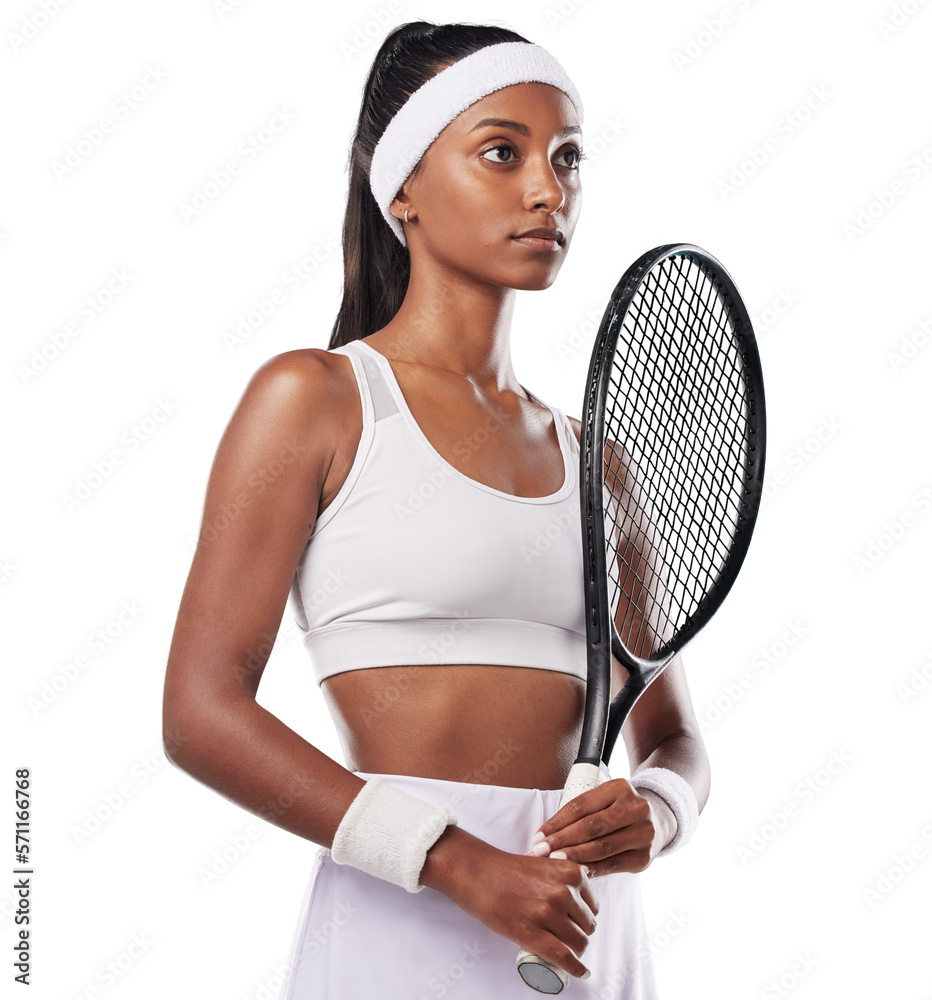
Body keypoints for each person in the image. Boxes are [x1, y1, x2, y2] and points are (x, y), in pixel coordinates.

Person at [162, 20, 710, 999]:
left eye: (566, 157)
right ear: (401, 187)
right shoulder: (316, 401)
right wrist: (455, 860)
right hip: (398, 932)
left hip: (585, 938)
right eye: (501, 152)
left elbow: (671, 735)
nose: (548, 189)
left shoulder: (598, 460)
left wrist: (657, 809)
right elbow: (201, 711)